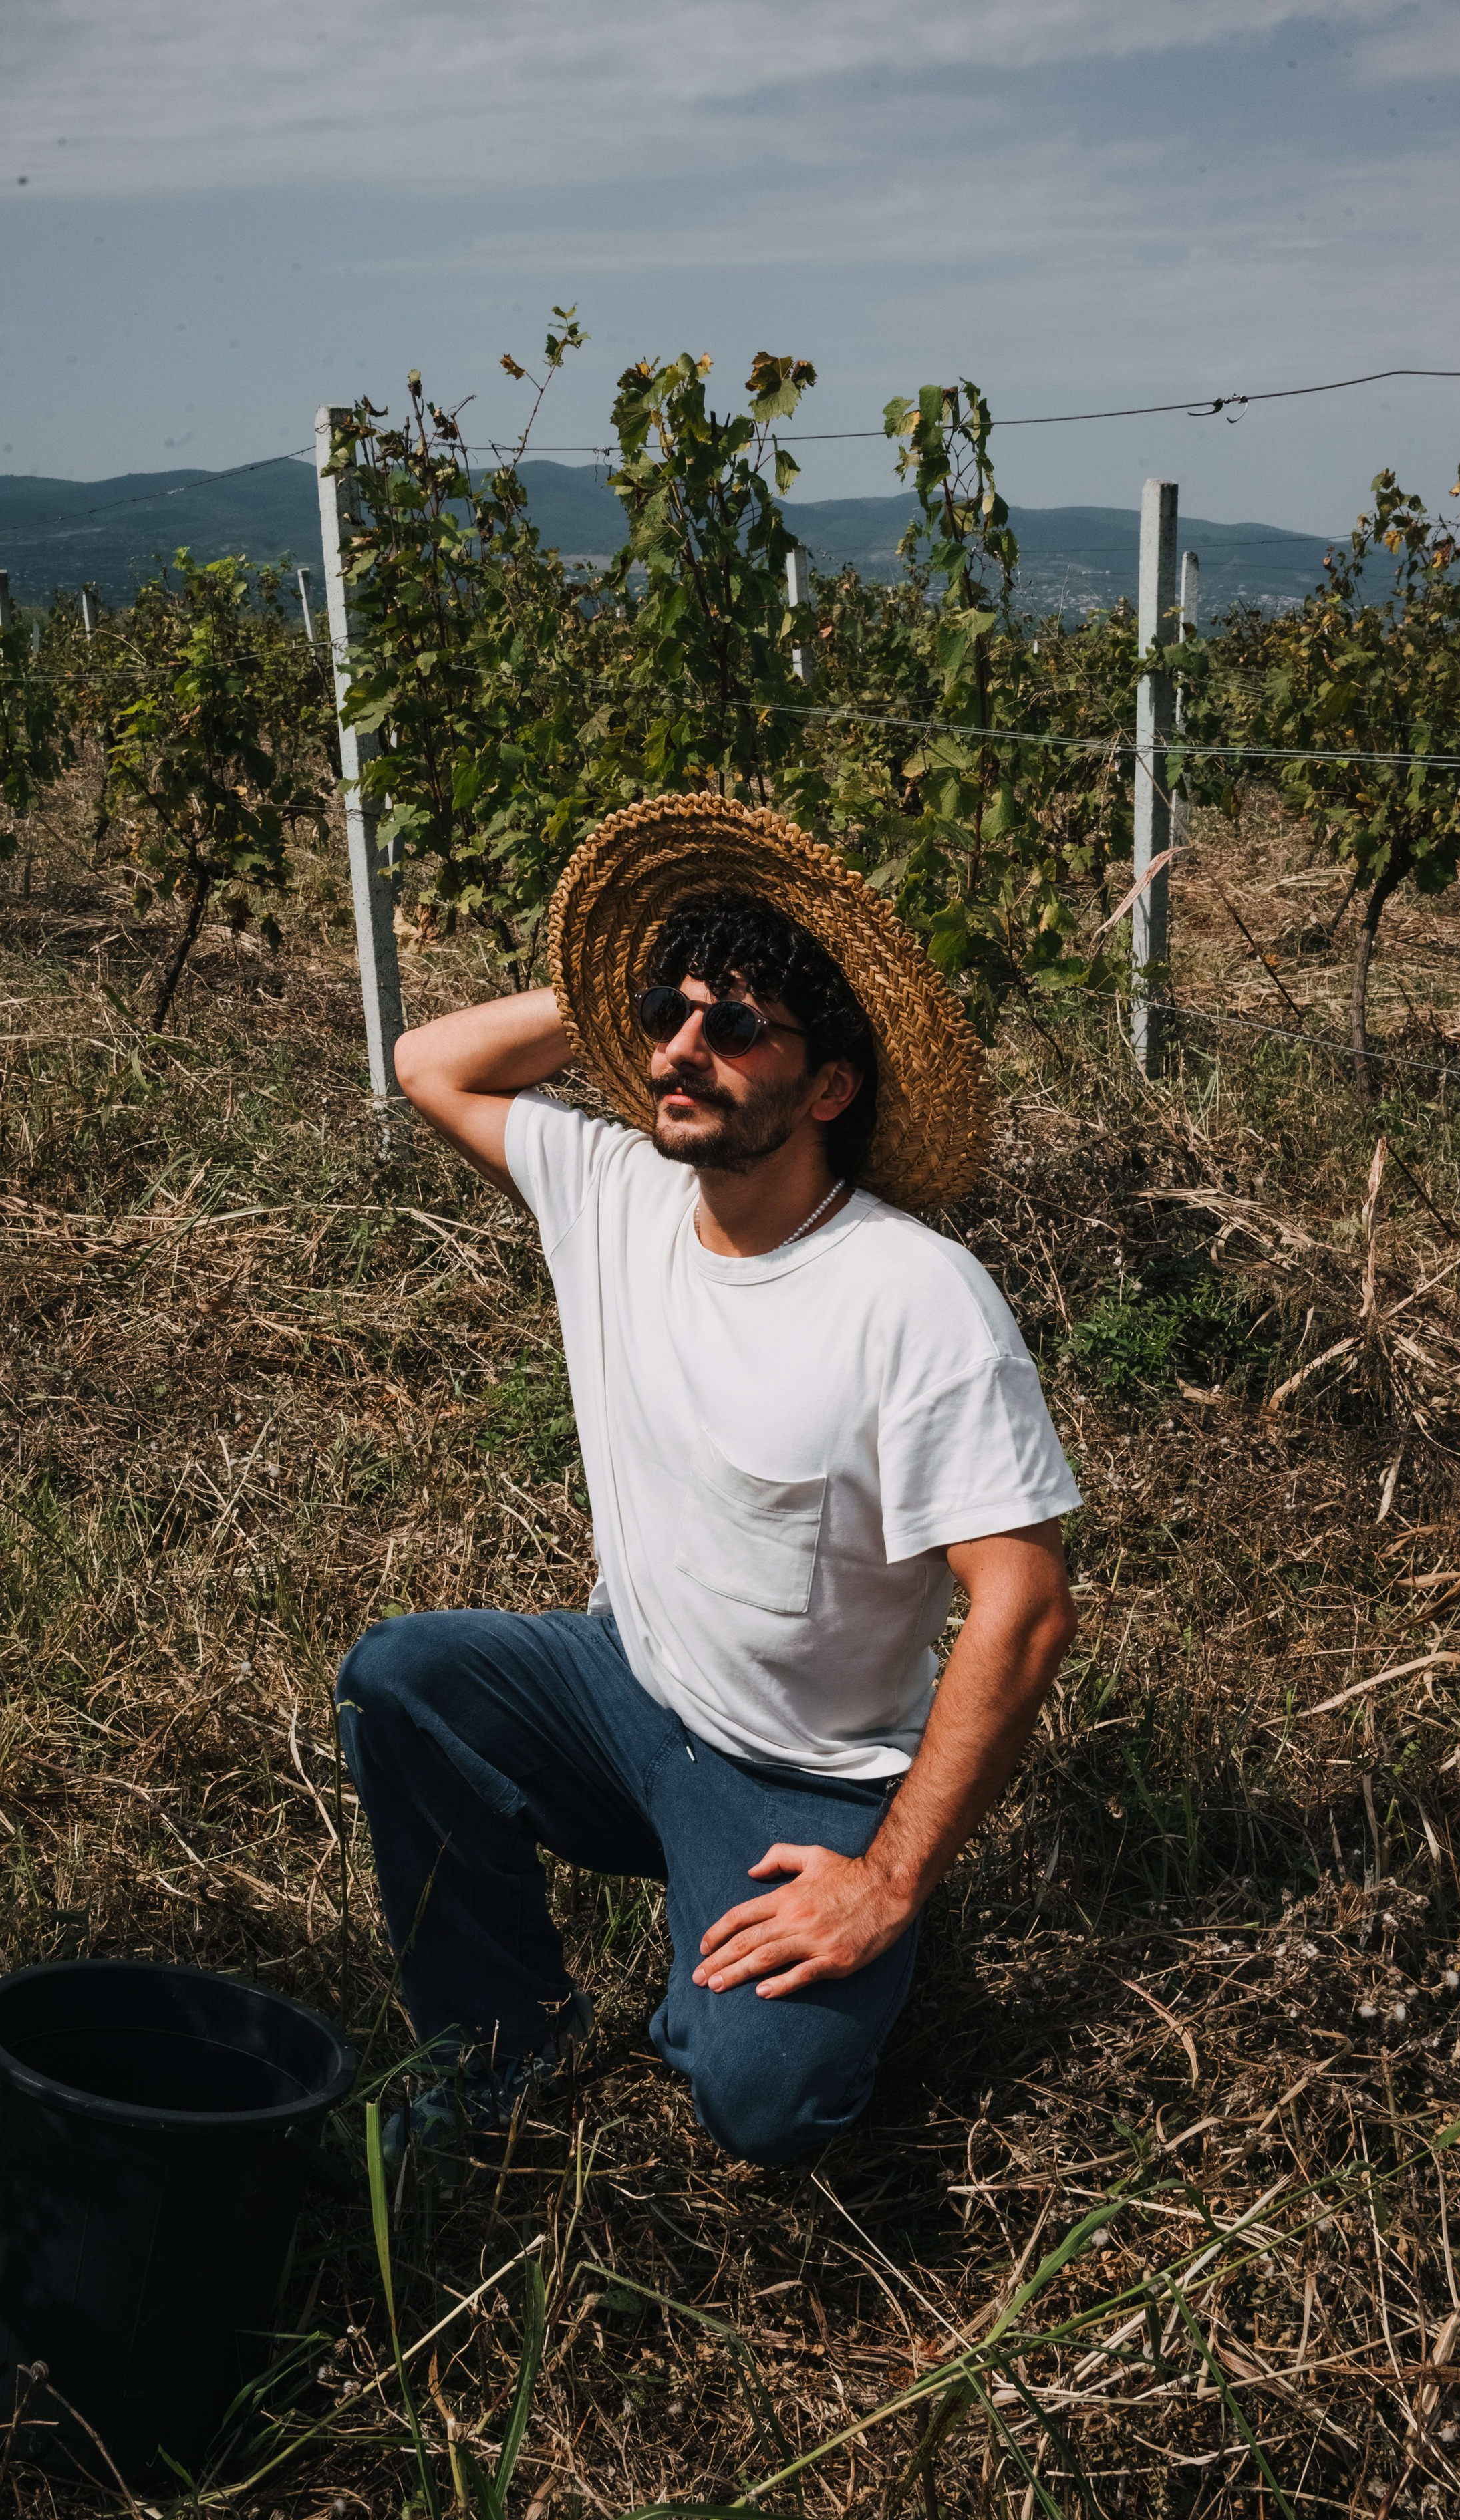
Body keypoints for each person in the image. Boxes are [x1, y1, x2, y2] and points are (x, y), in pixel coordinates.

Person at [337, 793, 1079, 2169]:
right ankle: (500, 2046)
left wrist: (886, 1879)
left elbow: (1022, 1606)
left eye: (734, 1028)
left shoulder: (910, 1296)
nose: (680, 1049)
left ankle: (848, 1946)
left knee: (760, 2101)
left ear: (830, 1086)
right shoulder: (613, 1185)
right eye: (661, 1014)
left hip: (802, 1774)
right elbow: (431, 1061)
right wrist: (638, 979)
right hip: (626, 1690)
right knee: (402, 1681)